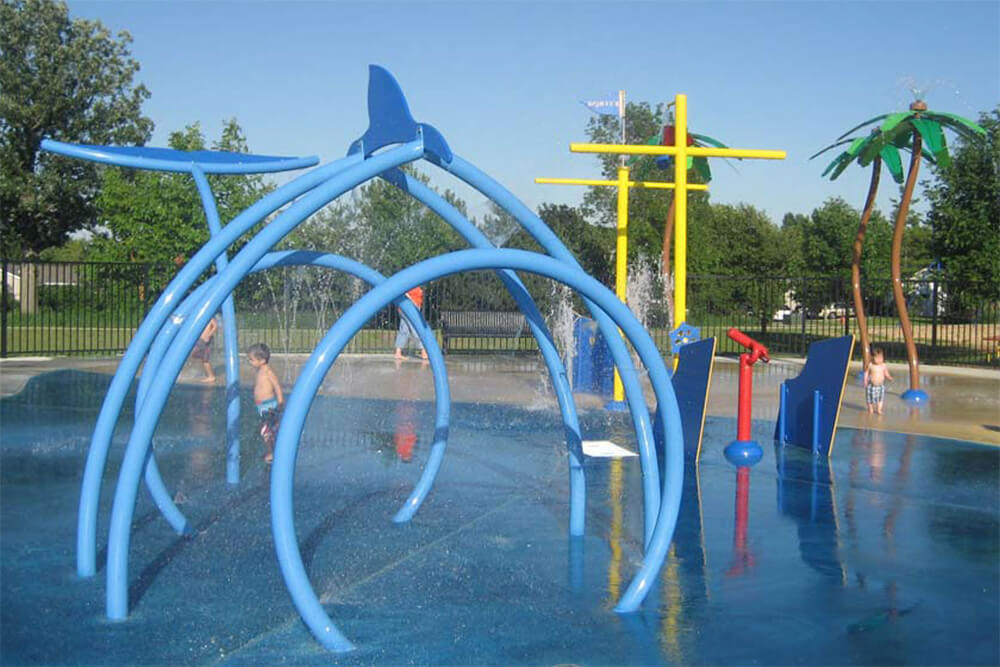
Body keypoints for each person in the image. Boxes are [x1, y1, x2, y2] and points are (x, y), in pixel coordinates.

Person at [248, 342, 284, 464]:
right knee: (268, 431)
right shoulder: (260, 370)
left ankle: (271, 453)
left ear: (262, 360)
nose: (250, 362)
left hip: (269, 406)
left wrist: (280, 403)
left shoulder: (268, 372)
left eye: (252, 360)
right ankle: (273, 451)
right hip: (262, 407)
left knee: (266, 432)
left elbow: (277, 387)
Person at [394, 286, 428, 362]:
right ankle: (423, 352)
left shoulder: (416, 285)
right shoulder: (410, 285)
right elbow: (405, 294)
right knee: (416, 329)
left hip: (406, 309)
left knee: (404, 330)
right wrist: (412, 304)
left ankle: (398, 352)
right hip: (409, 310)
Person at [863, 347, 893, 415]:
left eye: (881, 358)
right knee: (869, 398)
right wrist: (865, 380)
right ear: (872, 358)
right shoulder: (870, 365)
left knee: (880, 398)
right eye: (877, 358)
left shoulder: (883, 365)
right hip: (871, 385)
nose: (880, 360)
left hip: (880, 385)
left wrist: (889, 377)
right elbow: (866, 373)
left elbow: (886, 372)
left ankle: (879, 409)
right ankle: (870, 409)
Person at [190, 314, 219, 383]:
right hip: (202, 340)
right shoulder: (202, 317)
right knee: (196, 355)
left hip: (206, 340)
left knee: (205, 359)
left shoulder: (209, 315)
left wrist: (209, 335)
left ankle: (211, 376)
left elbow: (215, 326)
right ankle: (207, 373)